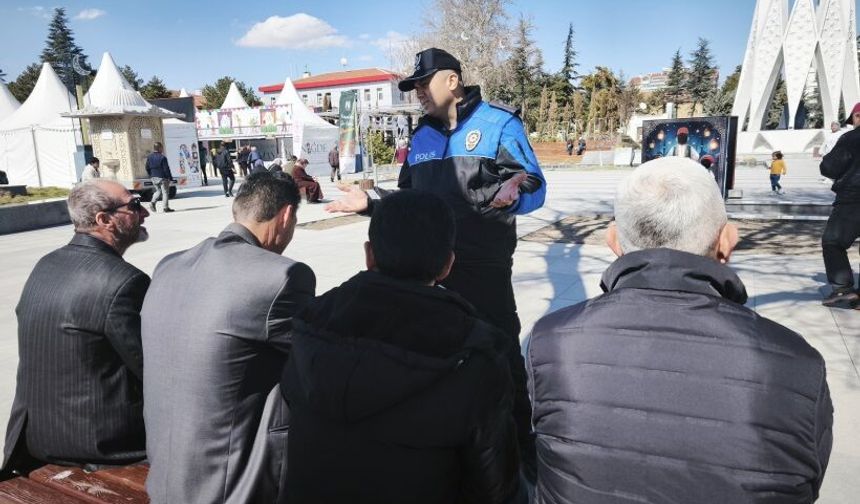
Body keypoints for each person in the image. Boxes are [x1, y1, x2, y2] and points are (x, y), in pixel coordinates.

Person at [528, 157, 833, 504]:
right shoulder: (796, 361)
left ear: (613, 241)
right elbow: (807, 480)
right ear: (726, 241)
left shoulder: (551, 340)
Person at [326, 47, 546, 478]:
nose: (418, 93)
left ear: (451, 80)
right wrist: (370, 201)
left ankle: (522, 448)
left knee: (500, 356)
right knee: (437, 359)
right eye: (414, 87)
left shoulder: (499, 123)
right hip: (428, 270)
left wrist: (517, 190)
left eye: (423, 84)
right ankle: (454, 449)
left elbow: (536, 185)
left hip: (484, 269)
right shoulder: (421, 137)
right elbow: (410, 200)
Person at [281, 190, 524, 504]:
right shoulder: (476, 354)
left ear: (369, 255)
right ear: (448, 264)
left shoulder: (309, 325)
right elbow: (496, 487)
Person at [142, 173, 316, 504]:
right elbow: (319, 355)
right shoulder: (281, 277)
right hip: (229, 488)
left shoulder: (169, 265)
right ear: (286, 216)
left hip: (166, 474)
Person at [1, 180, 150, 478]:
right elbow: (152, 369)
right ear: (104, 220)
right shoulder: (125, 282)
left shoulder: (47, 264)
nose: (145, 212)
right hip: (101, 447)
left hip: (37, 436)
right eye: (133, 205)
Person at [819, 102, 860, 306]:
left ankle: (843, 288)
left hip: (853, 198)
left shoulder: (852, 138)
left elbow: (829, 167)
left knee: (833, 242)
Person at [145, 142, 174, 213]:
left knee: (158, 191)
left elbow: (147, 167)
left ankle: (152, 203)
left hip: (153, 177)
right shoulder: (162, 157)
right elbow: (166, 169)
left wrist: (150, 175)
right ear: (160, 148)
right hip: (162, 178)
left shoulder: (149, 157)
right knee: (165, 192)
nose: (163, 149)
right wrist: (170, 178)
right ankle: (165, 208)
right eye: (162, 147)